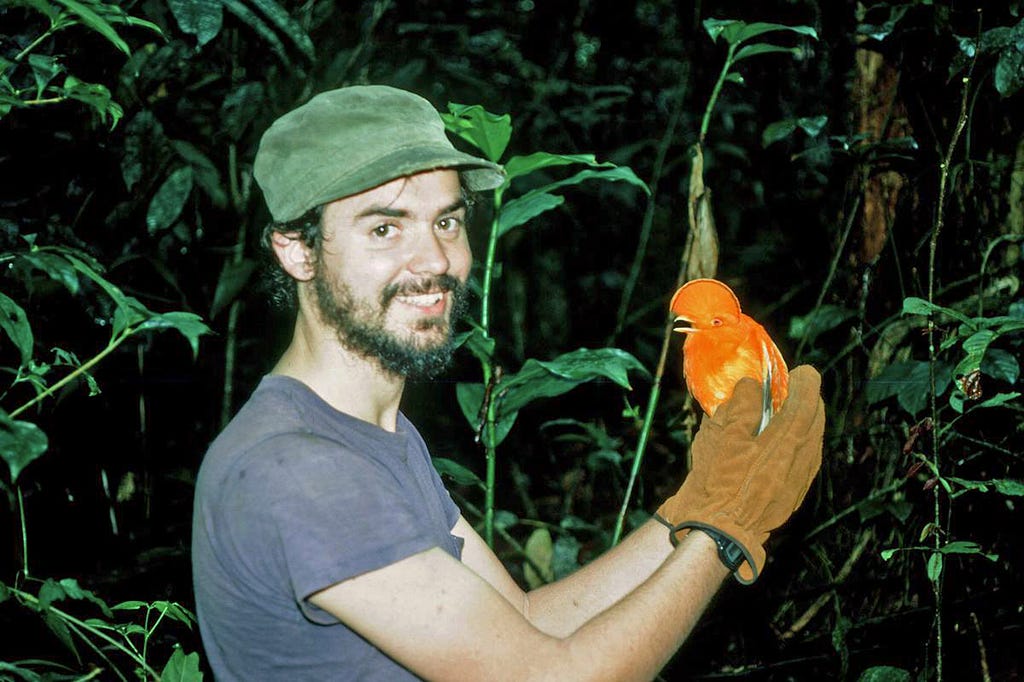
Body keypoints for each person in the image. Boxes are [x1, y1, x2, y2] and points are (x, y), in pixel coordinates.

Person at [190, 84, 826, 681]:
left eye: (446, 221)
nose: (436, 260)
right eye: (385, 228)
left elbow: (526, 625)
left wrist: (696, 507)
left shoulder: (372, 437)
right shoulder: (296, 468)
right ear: (296, 250)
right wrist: (725, 528)